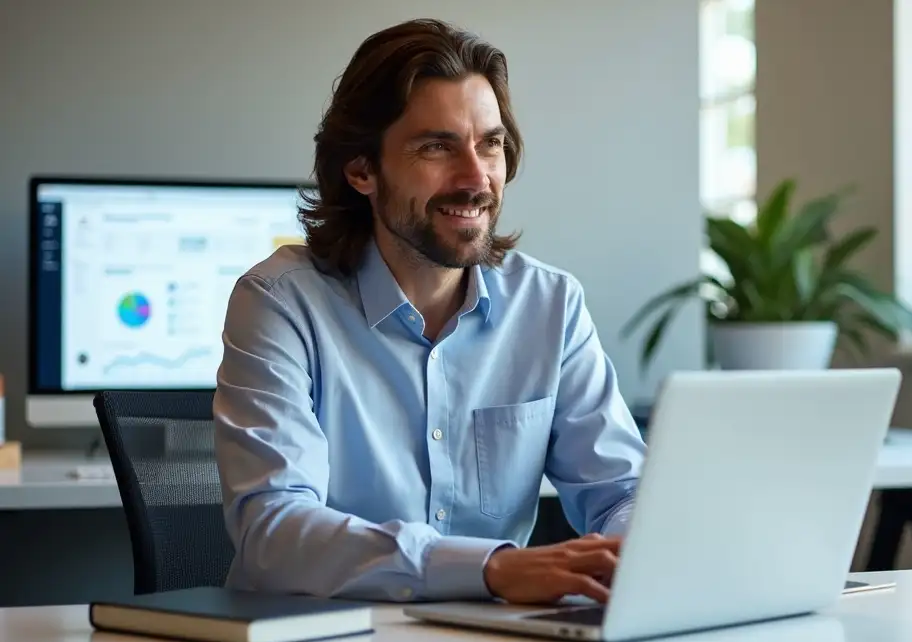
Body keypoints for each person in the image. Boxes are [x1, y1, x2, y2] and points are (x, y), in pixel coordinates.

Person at [212, 19, 646, 606]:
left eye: (490, 144)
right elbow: (274, 531)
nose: (476, 179)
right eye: (436, 147)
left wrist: (633, 551)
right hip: (320, 638)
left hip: (491, 639)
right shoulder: (280, 302)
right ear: (362, 170)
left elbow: (623, 490)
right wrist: (489, 569)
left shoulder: (550, 306)